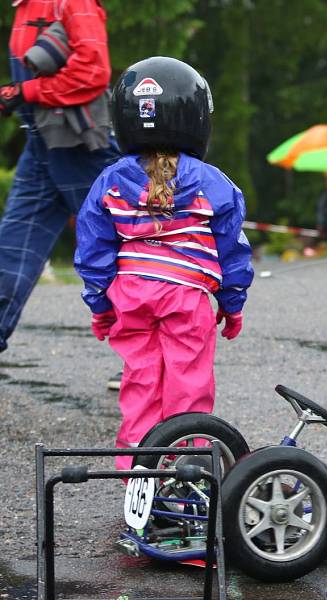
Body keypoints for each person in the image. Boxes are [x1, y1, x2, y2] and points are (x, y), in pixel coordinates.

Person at [74, 56, 254, 469]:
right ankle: (185, 474)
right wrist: (232, 303)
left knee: (139, 385)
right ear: (195, 118)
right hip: (186, 300)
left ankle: (137, 476)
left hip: (130, 296)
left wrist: (101, 307)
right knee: (187, 388)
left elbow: (93, 252)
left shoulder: (110, 181)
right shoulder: (213, 182)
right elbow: (232, 251)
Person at [0, 0, 118, 354]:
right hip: (41, 142)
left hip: (82, 145)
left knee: (123, 252)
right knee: (11, 250)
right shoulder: (23, 6)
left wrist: (26, 92)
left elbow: (94, 70)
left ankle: (153, 357)